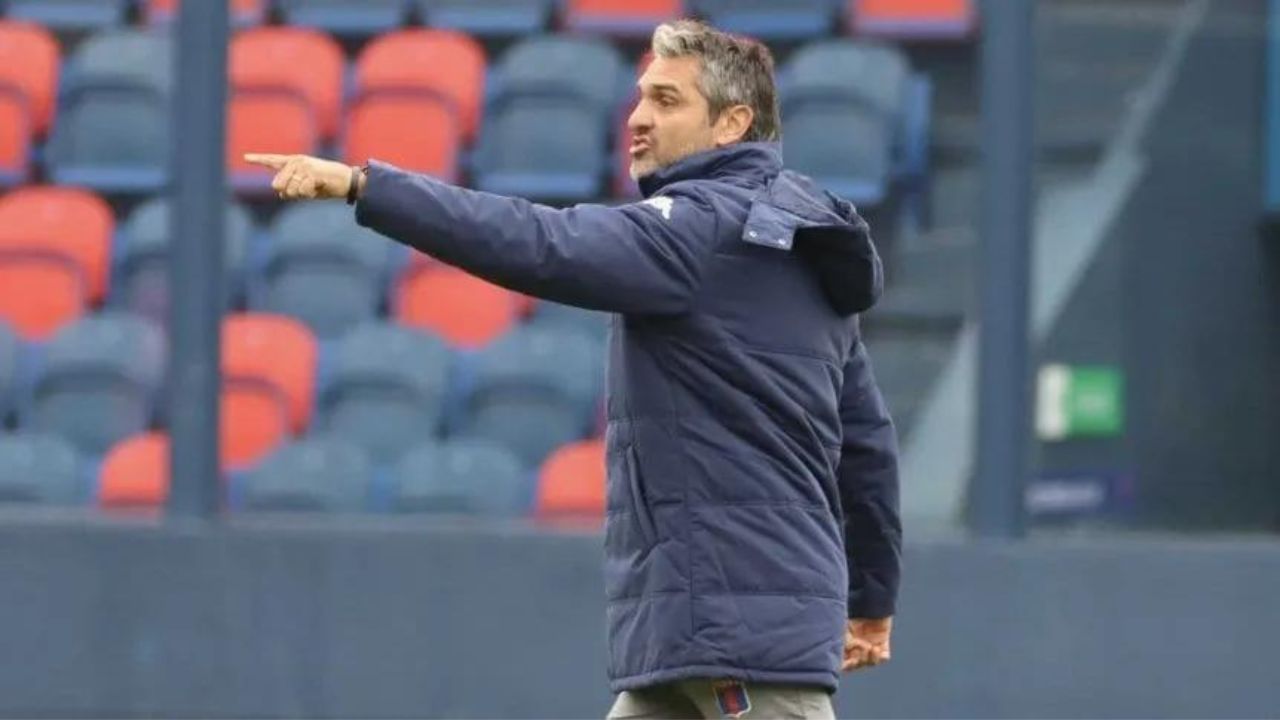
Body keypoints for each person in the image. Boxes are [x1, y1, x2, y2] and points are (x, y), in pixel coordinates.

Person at [247, 19, 900, 720]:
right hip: (697, 637)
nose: (639, 117)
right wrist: (871, 599)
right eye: (641, 96)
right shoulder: (798, 247)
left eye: (667, 100)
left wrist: (366, 187)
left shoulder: (697, 229)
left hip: (740, 645)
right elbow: (866, 446)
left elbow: (540, 242)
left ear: (731, 123)